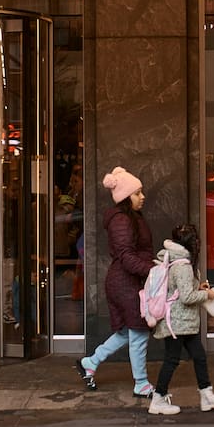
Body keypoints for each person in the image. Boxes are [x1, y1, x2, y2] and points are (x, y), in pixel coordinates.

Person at [74, 167, 156, 398]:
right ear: (125, 197)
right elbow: (127, 256)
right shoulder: (122, 220)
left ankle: (90, 362)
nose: (142, 197)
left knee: (127, 332)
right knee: (138, 332)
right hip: (126, 283)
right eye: (137, 193)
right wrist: (153, 269)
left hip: (126, 281)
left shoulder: (128, 218)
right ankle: (141, 383)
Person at [147, 223, 214, 415]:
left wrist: (198, 287)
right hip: (178, 323)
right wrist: (207, 295)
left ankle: (206, 396)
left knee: (199, 357)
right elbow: (186, 298)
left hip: (182, 323)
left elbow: (181, 291)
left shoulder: (173, 260)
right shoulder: (183, 265)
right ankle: (158, 399)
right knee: (172, 360)